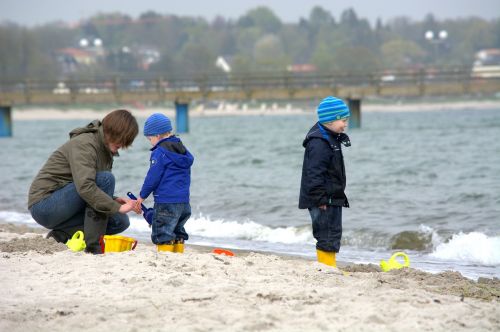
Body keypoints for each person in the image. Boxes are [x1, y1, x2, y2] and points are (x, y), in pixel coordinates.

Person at [28, 109, 139, 254]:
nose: (124, 145)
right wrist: (116, 207)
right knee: (106, 179)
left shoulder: (105, 150)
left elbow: (89, 186)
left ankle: (61, 234)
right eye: (123, 139)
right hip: (44, 204)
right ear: (113, 131)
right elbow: (86, 187)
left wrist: (114, 200)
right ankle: (94, 247)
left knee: (120, 221)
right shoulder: (85, 144)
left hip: (68, 200)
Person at [299, 96, 351, 267]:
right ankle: (326, 267)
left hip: (331, 196)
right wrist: (320, 198)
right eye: (343, 120)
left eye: (346, 120)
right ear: (330, 120)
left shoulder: (331, 137)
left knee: (333, 232)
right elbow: (313, 173)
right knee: (326, 234)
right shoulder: (320, 142)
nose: (345, 124)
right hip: (323, 199)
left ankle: (328, 265)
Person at [134, 113, 194, 253]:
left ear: (157, 135)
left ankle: (165, 255)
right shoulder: (182, 150)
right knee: (178, 230)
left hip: (166, 201)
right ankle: (178, 252)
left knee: (162, 232)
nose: (150, 142)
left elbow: (153, 177)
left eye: (150, 138)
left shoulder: (160, 152)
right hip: (184, 202)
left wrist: (142, 196)